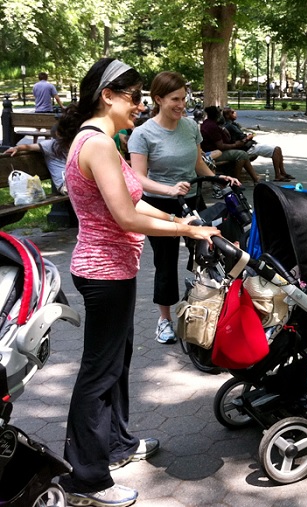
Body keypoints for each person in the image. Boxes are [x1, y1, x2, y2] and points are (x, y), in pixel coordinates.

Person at [55, 58, 221, 506]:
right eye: (134, 97)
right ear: (107, 95)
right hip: (103, 272)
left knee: (117, 361)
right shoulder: (99, 145)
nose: (140, 105)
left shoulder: (102, 139)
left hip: (113, 269)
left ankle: (118, 444)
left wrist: (178, 218)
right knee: (98, 371)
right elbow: (126, 216)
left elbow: (134, 203)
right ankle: (86, 480)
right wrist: (187, 231)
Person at [128, 72, 238, 345]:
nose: (181, 104)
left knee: (209, 252)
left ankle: (208, 312)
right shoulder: (143, 134)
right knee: (165, 263)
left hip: (191, 201)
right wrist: (168, 189)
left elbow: (198, 163)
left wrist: (216, 177)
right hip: (158, 205)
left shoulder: (190, 126)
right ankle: (164, 321)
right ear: (158, 99)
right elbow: (137, 177)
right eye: (174, 99)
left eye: (184, 99)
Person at [222, 107, 295, 181]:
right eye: (232, 112)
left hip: (248, 146)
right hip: (247, 148)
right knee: (276, 149)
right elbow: (244, 138)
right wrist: (251, 136)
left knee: (278, 149)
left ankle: (282, 173)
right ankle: (278, 175)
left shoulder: (231, 124)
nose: (235, 113)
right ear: (227, 115)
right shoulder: (231, 126)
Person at [200, 106, 260, 184]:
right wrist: (235, 145)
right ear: (217, 115)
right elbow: (220, 146)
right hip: (214, 153)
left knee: (242, 154)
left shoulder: (208, 123)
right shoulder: (212, 127)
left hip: (215, 150)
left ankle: (255, 179)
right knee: (242, 154)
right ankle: (237, 181)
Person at [4, 125, 67, 194]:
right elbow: (29, 147)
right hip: (64, 184)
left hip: (73, 181)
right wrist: (17, 148)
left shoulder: (72, 144)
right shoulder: (50, 145)